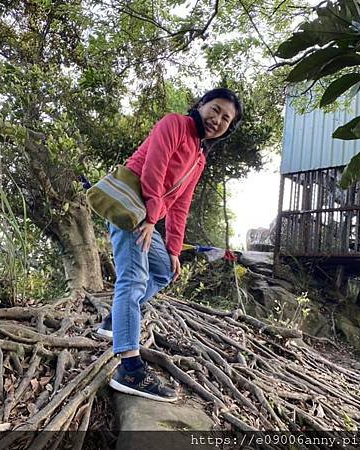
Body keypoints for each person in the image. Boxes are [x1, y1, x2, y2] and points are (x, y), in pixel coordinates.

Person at [98, 88, 243, 402]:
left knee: (164, 271)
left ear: (228, 128)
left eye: (226, 119)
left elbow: (181, 204)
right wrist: (151, 217)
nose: (217, 120)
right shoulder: (174, 124)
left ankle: (117, 318)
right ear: (201, 104)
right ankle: (130, 369)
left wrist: (175, 249)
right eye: (215, 109)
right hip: (132, 207)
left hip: (146, 215)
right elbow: (154, 169)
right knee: (133, 280)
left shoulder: (199, 157)